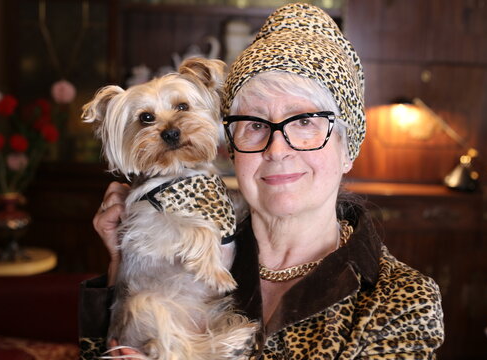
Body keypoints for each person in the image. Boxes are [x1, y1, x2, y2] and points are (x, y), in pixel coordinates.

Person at [79, 3, 444, 359]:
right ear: (232, 149)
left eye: (304, 121)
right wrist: (121, 265)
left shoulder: (399, 302)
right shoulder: (185, 246)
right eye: (255, 125)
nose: (277, 148)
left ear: (347, 148)